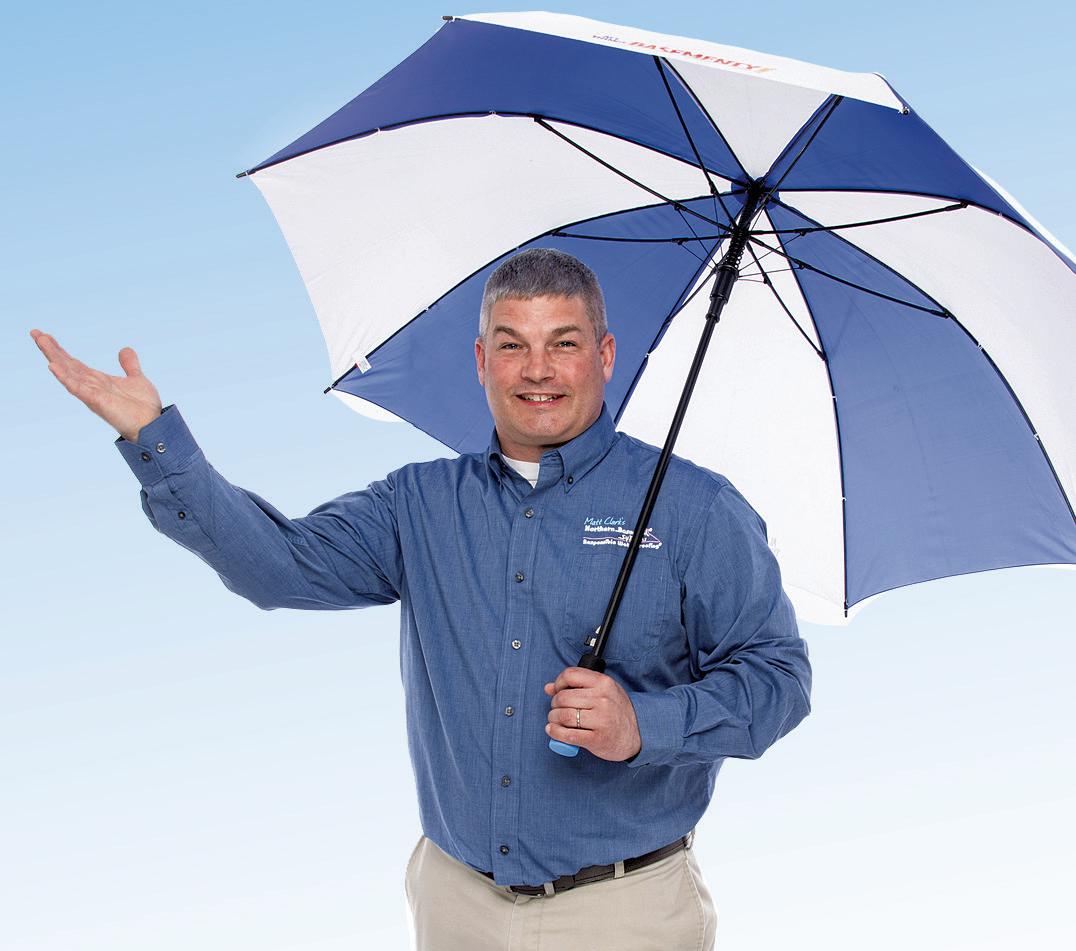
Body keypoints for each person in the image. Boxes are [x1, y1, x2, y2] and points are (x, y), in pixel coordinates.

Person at [30, 248, 811, 951]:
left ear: (604, 356)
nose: (537, 369)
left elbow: (780, 679)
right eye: (512, 344)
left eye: (564, 343)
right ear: (481, 360)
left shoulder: (696, 510)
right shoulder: (419, 504)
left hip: (624, 911)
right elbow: (276, 565)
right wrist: (156, 440)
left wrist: (644, 722)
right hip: (454, 902)